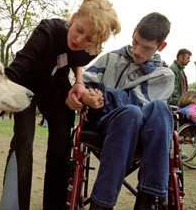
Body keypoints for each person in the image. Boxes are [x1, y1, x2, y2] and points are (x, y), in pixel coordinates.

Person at [0, 0, 121, 210]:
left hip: (55, 87)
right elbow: (19, 65)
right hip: (26, 84)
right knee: (24, 142)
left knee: (61, 144)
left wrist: (80, 83)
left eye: (88, 40)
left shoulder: (89, 50)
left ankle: (54, 206)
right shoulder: (48, 30)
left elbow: (76, 58)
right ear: (73, 18)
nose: (79, 40)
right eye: (79, 30)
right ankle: (13, 206)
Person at [66, 12, 175, 209]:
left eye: (147, 48)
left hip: (147, 136)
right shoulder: (111, 58)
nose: (138, 51)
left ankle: (149, 199)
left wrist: (103, 95)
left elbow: (139, 103)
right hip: (107, 125)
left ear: (161, 47)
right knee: (130, 113)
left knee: (158, 107)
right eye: (136, 42)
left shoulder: (165, 75)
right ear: (133, 33)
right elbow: (82, 84)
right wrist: (85, 95)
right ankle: (102, 204)